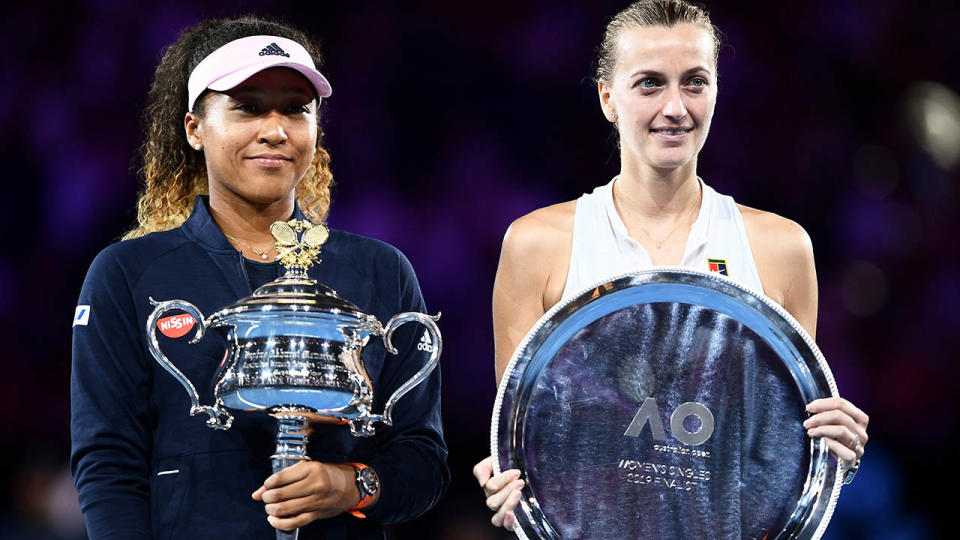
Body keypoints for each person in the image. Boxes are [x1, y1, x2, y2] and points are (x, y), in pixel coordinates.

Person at [472, 0, 869, 531]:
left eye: (695, 81)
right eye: (650, 83)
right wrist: (508, 483)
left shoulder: (782, 248)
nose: (676, 107)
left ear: (716, 93)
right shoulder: (536, 244)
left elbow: (773, 447)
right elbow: (529, 439)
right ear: (608, 98)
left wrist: (832, 456)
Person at [70, 16, 449, 539]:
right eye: (247, 107)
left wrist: (350, 485)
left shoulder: (379, 271)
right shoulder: (128, 273)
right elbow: (108, 464)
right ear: (194, 128)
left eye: (297, 110)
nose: (275, 130)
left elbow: (422, 461)